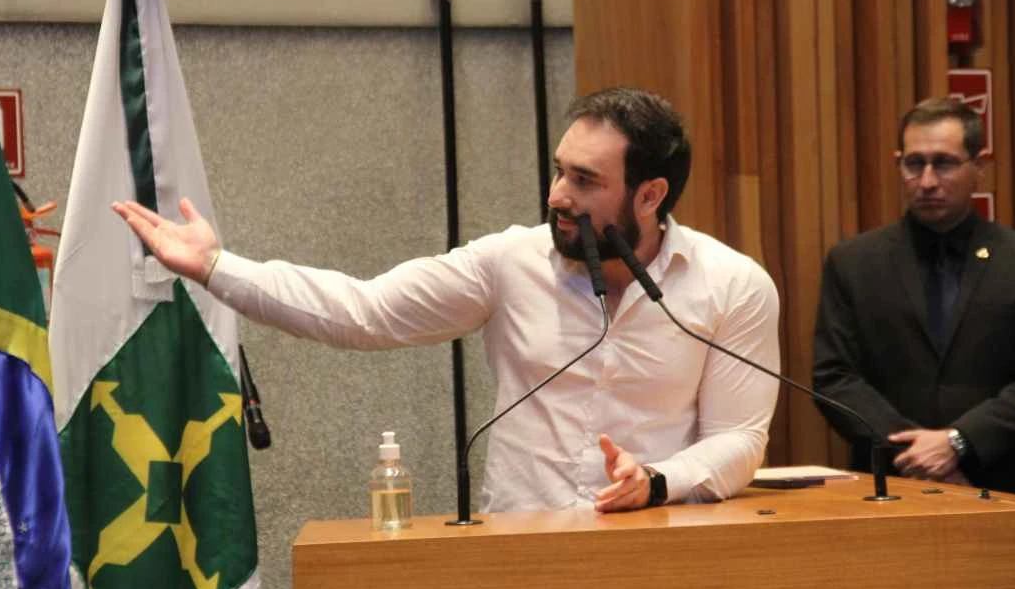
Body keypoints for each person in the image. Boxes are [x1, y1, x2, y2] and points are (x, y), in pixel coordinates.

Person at [113, 86, 781, 515]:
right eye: (558, 171)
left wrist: (657, 480)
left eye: (584, 180)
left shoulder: (732, 286)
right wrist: (215, 267)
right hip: (518, 570)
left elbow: (740, 438)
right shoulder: (510, 263)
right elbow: (363, 312)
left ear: (651, 195)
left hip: (660, 573)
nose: (556, 195)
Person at [813, 97, 1015, 496]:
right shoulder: (854, 263)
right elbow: (834, 377)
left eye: (944, 163)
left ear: (979, 167)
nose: (927, 181)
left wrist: (959, 442)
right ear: (898, 164)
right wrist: (915, 452)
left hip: (999, 486)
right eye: (914, 163)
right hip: (889, 484)